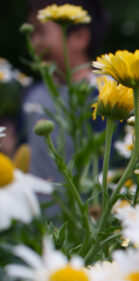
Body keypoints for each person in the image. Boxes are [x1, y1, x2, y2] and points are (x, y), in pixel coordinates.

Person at [20, 0, 109, 183]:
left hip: (87, 208)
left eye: (40, 32)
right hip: (37, 207)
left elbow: (112, 160)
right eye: (32, 33)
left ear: (79, 37)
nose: (33, 42)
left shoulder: (107, 94)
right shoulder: (33, 94)